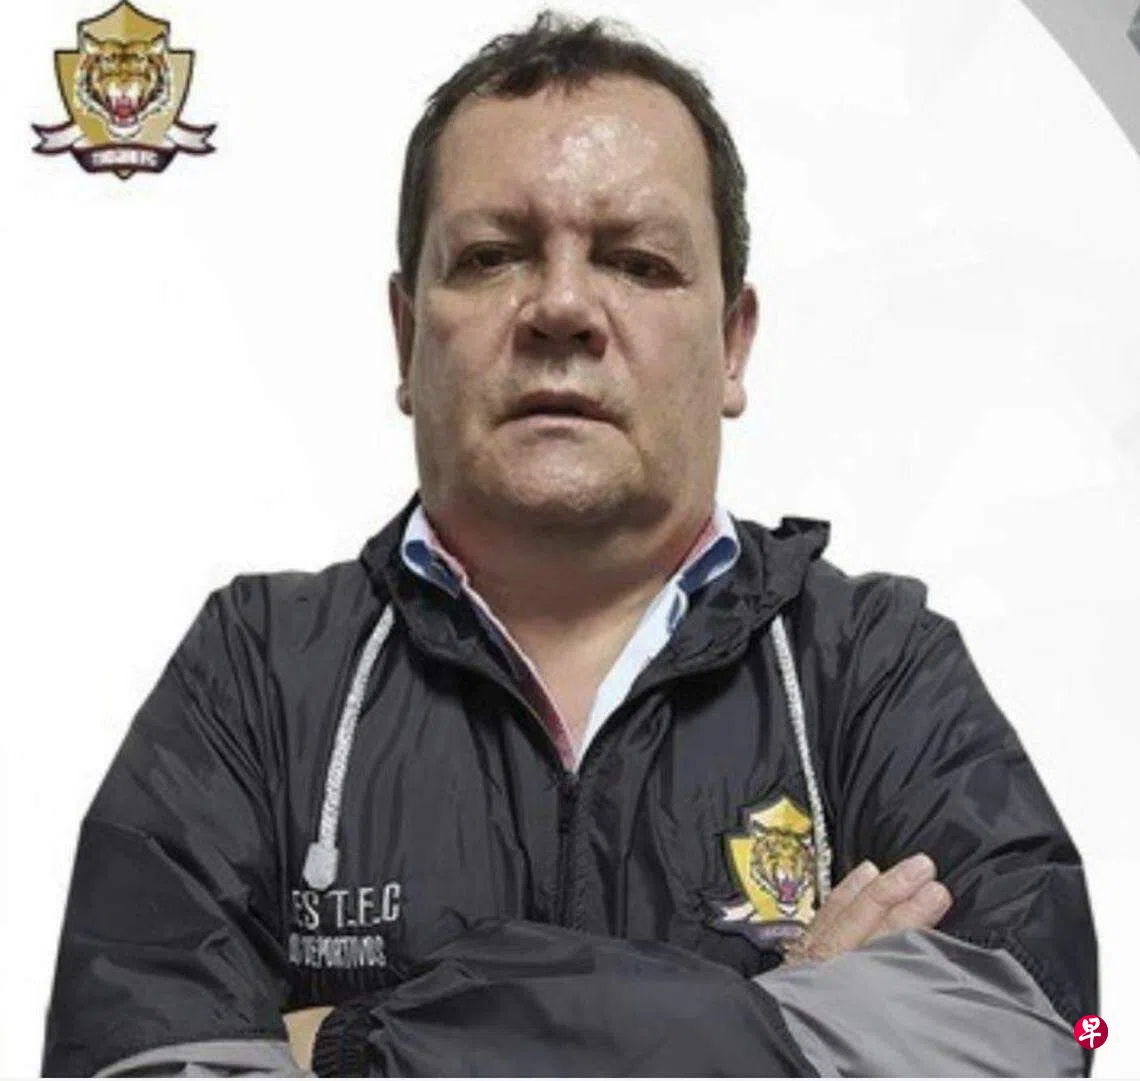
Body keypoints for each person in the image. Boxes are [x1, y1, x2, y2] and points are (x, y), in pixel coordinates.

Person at [43, 11, 1096, 1077]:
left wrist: (345, 1041)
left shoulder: (873, 666)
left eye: (637, 262)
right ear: (406, 338)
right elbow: (128, 1063)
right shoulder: (256, 676)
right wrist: (785, 1021)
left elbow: (1049, 1036)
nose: (560, 306)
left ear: (733, 343)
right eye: (492, 256)